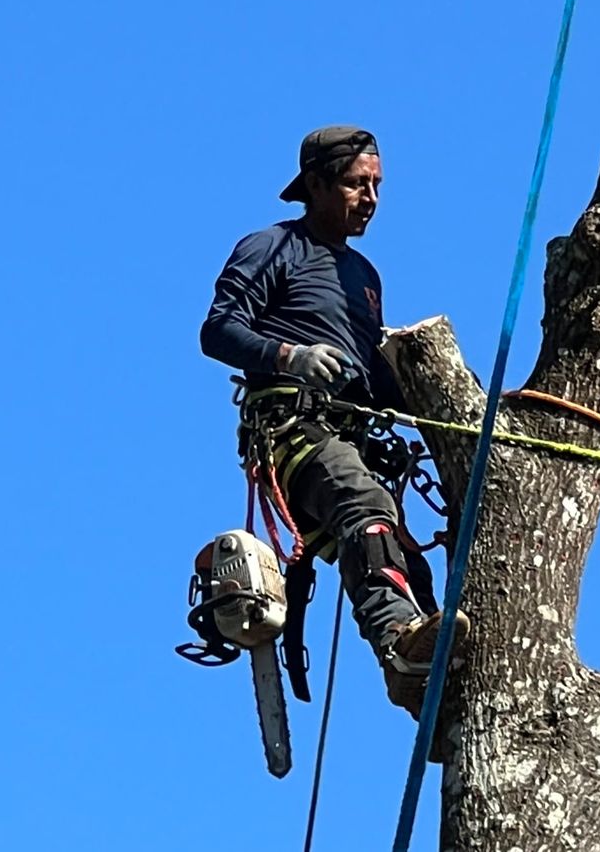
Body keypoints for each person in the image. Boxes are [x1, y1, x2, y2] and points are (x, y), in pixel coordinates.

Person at [200, 126, 468, 717]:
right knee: (363, 506)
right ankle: (397, 639)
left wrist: (450, 401)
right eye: (355, 184)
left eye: (377, 186)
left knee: (402, 554)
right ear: (316, 186)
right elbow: (217, 329)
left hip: (349, 433)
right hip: (294, 428)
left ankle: (431, 693)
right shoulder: (273, 247)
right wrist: (288, 357)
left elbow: (376, 379)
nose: (369, 198)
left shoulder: (364, 277)